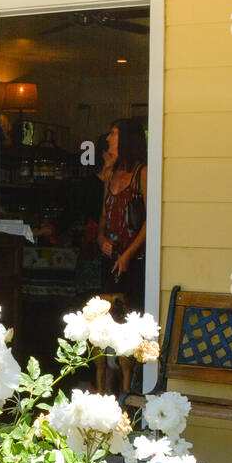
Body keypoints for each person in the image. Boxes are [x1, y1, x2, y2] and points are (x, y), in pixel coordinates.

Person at [96, 118, 148, 392]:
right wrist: (101, 239)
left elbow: (151, 221)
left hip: (134, 264)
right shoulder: (110, 175)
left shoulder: (142, 173)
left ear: (126, 138)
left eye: (113, 134)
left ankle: (130, 395)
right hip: (110, 261)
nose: (108, 139)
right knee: (105, 328)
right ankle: (107, 395)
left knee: (130, 327)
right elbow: (103, 217)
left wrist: (129, 254)